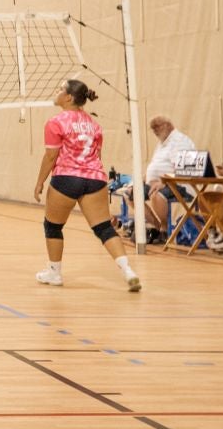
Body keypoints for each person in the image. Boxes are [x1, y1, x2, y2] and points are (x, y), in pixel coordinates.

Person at [32, 79, 141, 292]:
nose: (56, 92)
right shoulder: (94, 124)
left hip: (67, 178)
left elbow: (51, 156)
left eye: (60, 89)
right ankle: (128, 271)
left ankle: (54, 272)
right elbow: (97, 156)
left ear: (69, 97)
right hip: (95, 178)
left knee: (53, 226)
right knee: (103, 228)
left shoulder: (56, 122)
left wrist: (39, 182)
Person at [142, 116, 198, 242]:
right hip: (159, 183)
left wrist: (163, 182)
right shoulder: (161, 144)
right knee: (132, 193)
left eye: (157, 127)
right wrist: (142, 179)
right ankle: (157, 227)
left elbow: (183, 170)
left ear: (168, 125)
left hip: (180, 184)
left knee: (156, 195)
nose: (155, 131)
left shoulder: (179, 141)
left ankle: (165, 228)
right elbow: (155, 165)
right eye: (153, 129)